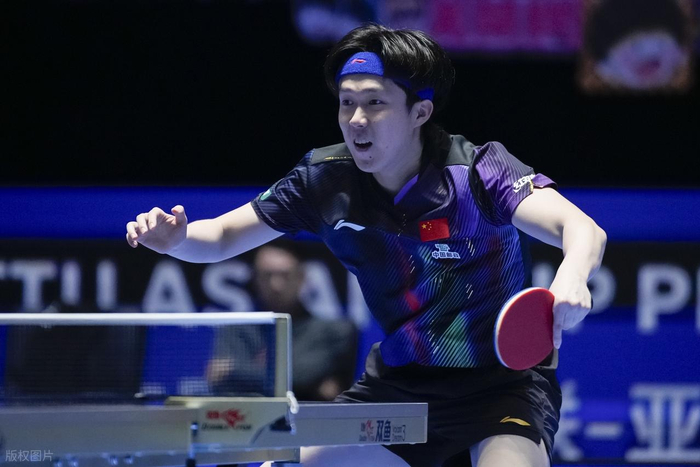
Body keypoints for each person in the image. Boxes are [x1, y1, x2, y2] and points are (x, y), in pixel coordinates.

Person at [126, 23, 606, 467]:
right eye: (346, 103)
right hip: (399, 386)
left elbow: (581, 228)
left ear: (419, 112)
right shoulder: (323, 180)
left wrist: (571, 275)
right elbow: (221, 237)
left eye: (375, 103)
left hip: (500, 388)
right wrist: (177, 239)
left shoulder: (479, 172)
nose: (356, 120)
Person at [206, 239, 357, 401]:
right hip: (252, 416)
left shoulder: (336, 332)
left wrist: (235, 371)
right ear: (255, 278)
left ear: (302, 277)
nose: (276, 285)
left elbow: (307, 376)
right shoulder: (235, 328)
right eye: (267, 275)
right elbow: (219, 380)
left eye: (285, 275)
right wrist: (309, 383)